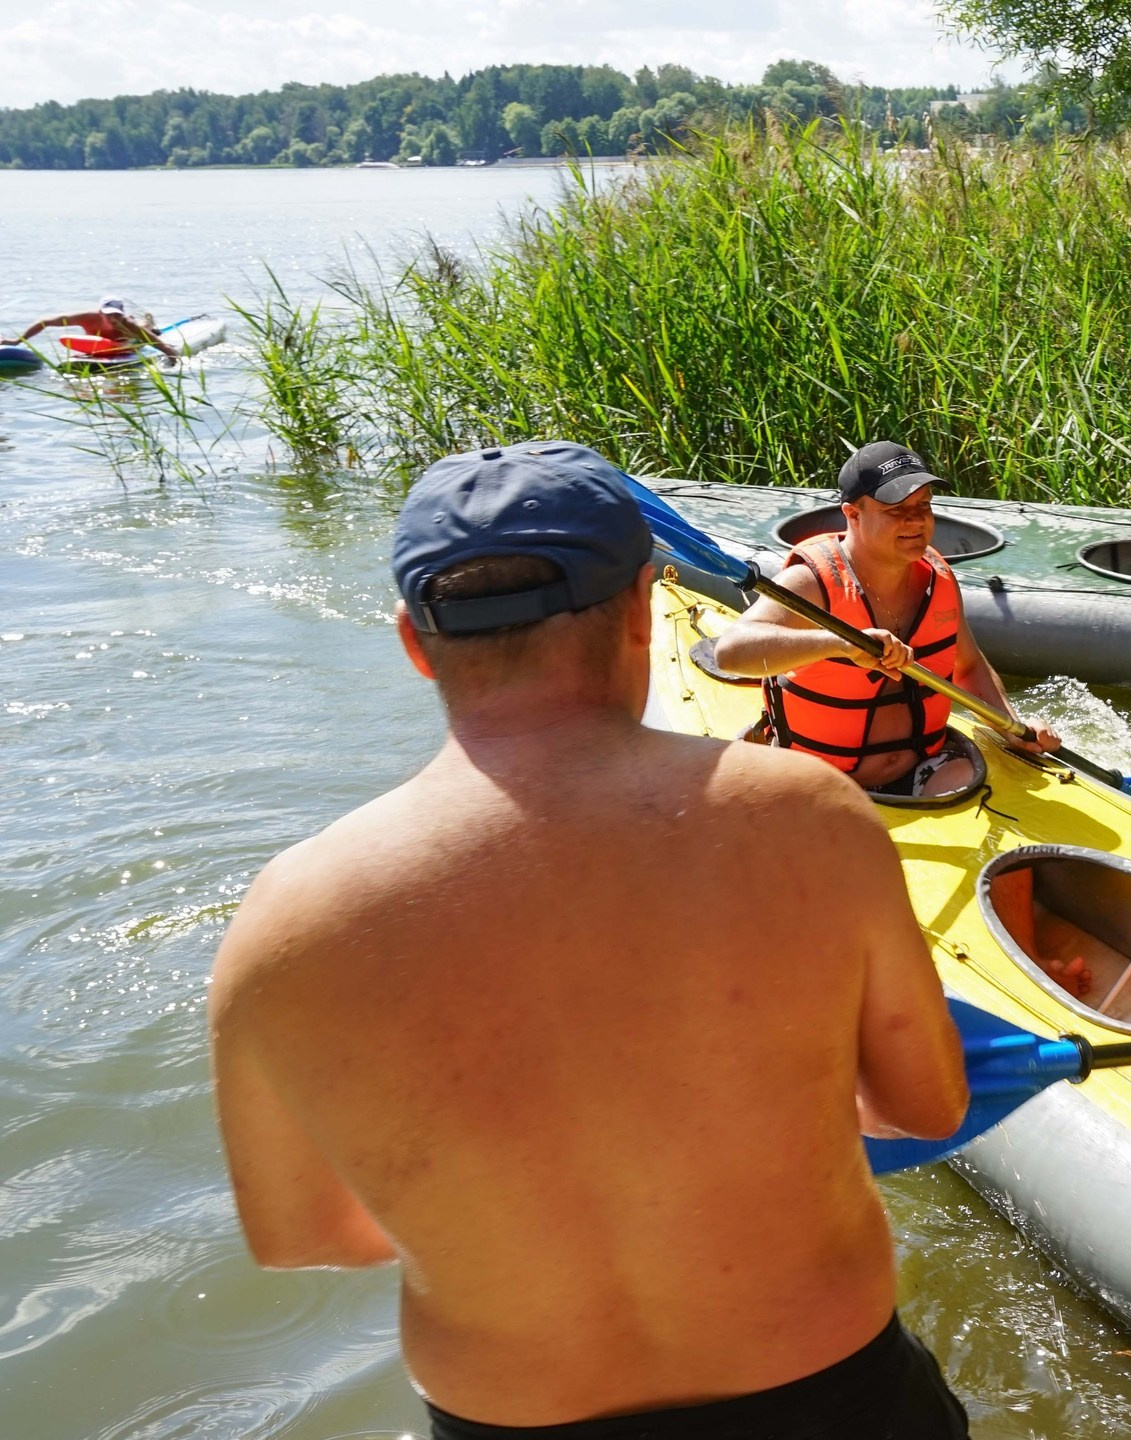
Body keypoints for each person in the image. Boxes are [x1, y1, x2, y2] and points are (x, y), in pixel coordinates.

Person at [209, 441, 974, 1438]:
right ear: (641, 612)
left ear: (411, 640)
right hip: (827, 1392)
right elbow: (925, 1105)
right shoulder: (810, 820)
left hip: (512, 1412)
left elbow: (297, 1234)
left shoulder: (283, 921)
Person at [712, 439, 1058, 796]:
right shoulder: (811, 581)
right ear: (853, 514)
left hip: (927, 770)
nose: (916, 519)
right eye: (896, 509)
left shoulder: (935, 575)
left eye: (924, 505)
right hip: (819, 779)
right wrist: (839, 643)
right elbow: (731, 652)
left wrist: (1012, 728)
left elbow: (968, 666)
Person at [7, 296, 176, 359]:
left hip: (127, 343)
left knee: (144, 327)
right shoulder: (87, 318)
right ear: (100, 312)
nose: (113, 318)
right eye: (108, 314)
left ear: (122, 313)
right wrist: (17, 341)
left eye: (117, 314)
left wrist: (174, 357)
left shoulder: (127, 324)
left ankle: (149, 323)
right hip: (101, 349)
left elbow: (162, 347)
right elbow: (45, 321)